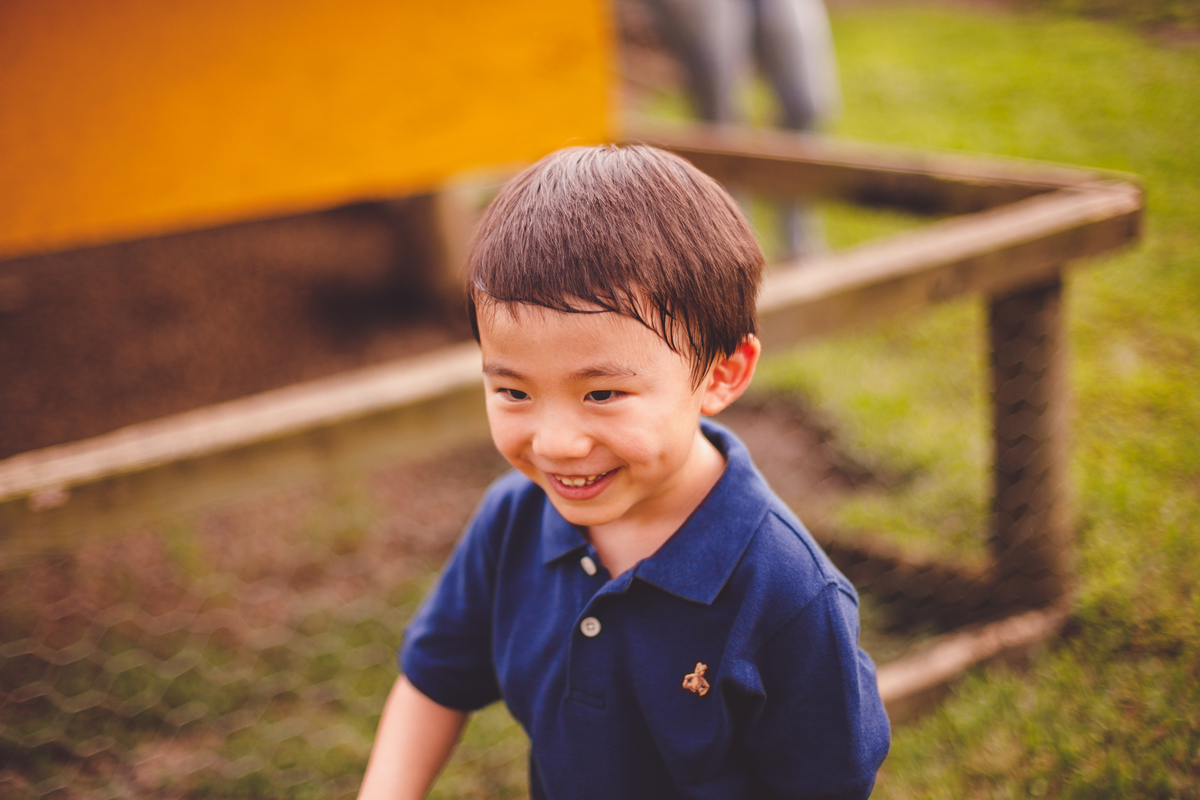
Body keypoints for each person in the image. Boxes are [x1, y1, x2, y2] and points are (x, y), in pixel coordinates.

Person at [357, 144, 889, 800]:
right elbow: (433, 679)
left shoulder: (788, 595)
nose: (555, 444)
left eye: (602, 394)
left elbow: (826, 783)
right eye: (513, 392)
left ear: (722, 374)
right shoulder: (513, 519)